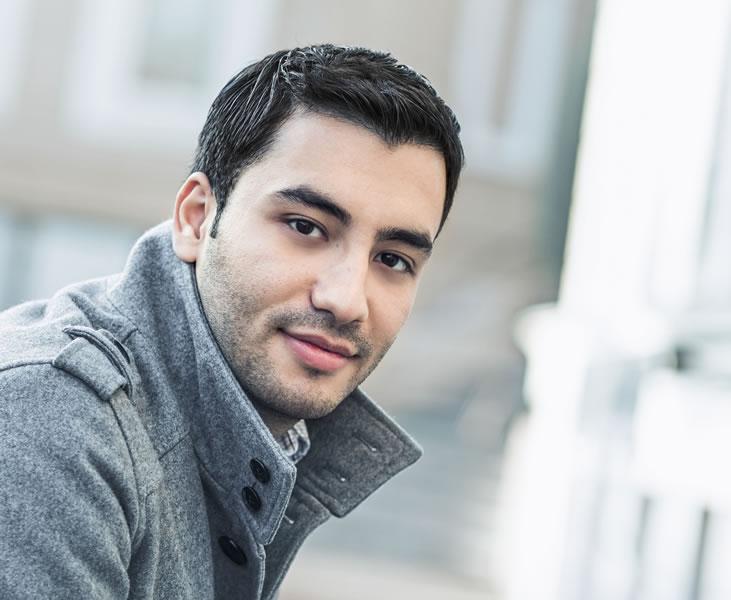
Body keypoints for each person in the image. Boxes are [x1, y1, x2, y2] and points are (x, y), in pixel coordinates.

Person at [0, 44, 464, 599]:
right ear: (197, 219)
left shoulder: (265, 439)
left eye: (393, 260)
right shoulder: (51, 416)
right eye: (305, 226)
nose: (347, 300)